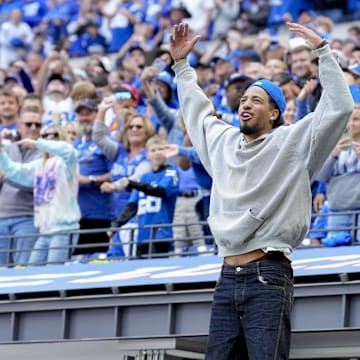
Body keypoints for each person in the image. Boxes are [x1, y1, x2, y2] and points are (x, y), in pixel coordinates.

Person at [169, 22, 354, 359]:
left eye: (256, 99)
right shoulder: (223, 143)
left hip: (268, 274)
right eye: (243, 99)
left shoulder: (294, 143)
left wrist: (323, 52)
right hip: (226, 275)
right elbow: (197, 111)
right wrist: (182, 66)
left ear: (274, 113)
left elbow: (340, 107)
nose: (246, 104)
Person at [0, 123, 80, 266]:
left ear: (62, 137)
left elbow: (67, 150)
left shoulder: (68, 161)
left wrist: (37, 143)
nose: (49, 138)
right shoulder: (40, 164)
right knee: (32, 272)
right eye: (45, 135)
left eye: (54, 135)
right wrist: (1, 151)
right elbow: (14, 171)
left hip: (64, 230)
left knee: (53, 276)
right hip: (44, 231)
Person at [112, 135, 179, 258]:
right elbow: (132, 205)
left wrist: (134, 184)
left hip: (160, 233)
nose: (157, 153)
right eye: (153, 150)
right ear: (147, 155)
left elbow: (160, 191)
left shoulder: (171, 172)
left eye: (161, 149)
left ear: (167, 153)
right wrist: (116, 225)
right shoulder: (144, 178)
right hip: (142, 234)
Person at [0, 108, 42, 267]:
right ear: (18, 126)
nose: (33, 128)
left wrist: (6, 175)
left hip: (28, 217)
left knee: (23, 270)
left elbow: (33, 183)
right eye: (28, 124)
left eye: (37, 125)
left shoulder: (44, 153)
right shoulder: (7, 149)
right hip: (2, 216)